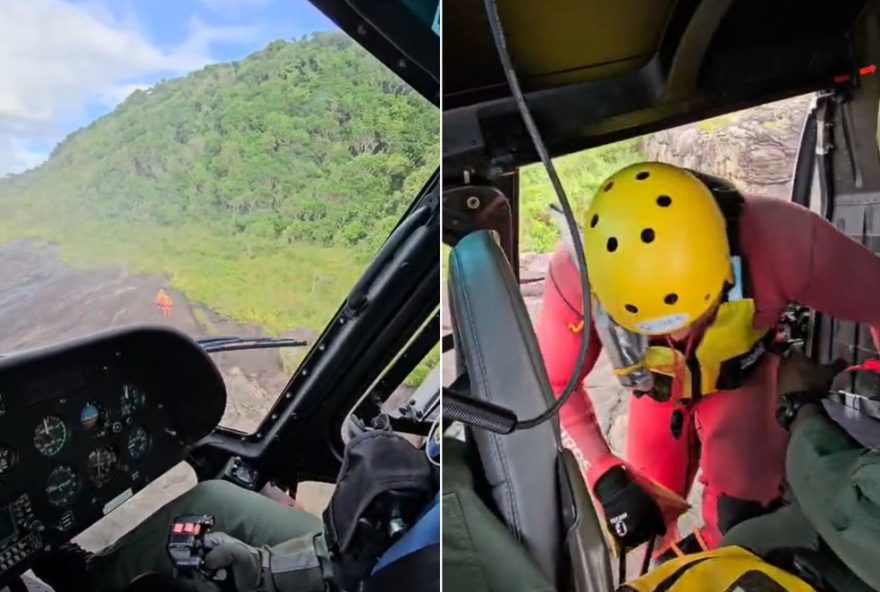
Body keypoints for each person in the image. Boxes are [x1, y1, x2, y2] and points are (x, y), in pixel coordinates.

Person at [535, 161, 880, 556]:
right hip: (656, 393)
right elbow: (554, 384)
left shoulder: (781, 239)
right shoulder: (576, 278)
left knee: (746, 517)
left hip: (742, 380)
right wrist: (603, 471)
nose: (680, 336)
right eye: (655, 328)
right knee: (645, 520)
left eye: (697, 312)